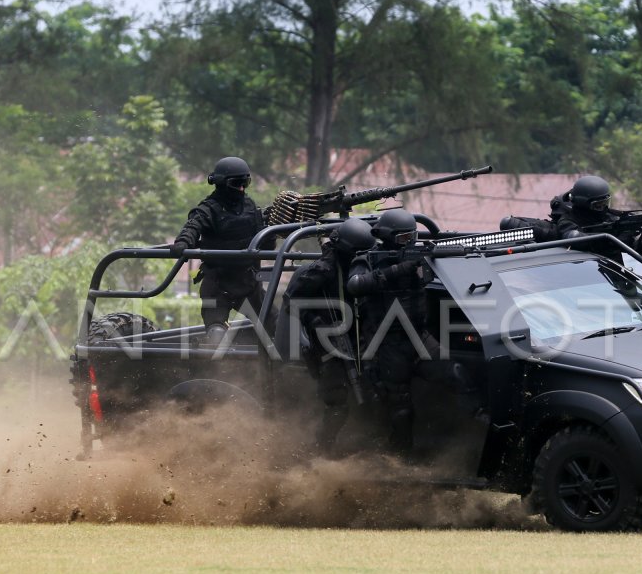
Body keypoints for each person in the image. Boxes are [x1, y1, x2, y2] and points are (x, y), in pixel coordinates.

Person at [345, 208, 442, 455]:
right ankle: (401, 462)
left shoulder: (420, 255)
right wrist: (398, 269)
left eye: (413, 237)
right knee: (400, 408)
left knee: (456, 374)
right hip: (387, 342)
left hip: (419, 336)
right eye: (403, 239)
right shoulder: (368, 259)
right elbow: (355, 285)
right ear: (387, 237)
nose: (409, 243)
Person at [277, 218, 377, 449]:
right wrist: (316, 322)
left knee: (372, 391)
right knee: (338, 402)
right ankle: (322, 450)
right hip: (328, 345)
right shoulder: (323, 271)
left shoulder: (357, 269)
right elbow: (292, 300)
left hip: (358, 338)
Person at [171, 156, 266, 345]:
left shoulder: (250, 207)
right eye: (236, 183)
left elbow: (265, 240)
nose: (241, 188)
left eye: (245, 182)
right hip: (219, 284)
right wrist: (183, 242)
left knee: (278, 327)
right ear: (222, 183)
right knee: (216, 336)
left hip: (248, 282)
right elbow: (192, 227)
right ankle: (222, 373)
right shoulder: (209, 209)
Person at [500, 175, 642, 259]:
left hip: (614, 281)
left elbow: (640, 251)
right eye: (598, 205)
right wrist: (613, 242)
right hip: (588, 287)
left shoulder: (612, 219)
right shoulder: (567, 222)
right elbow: (574, 238)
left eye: (606, 203)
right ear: (583, 204)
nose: (604, 209)